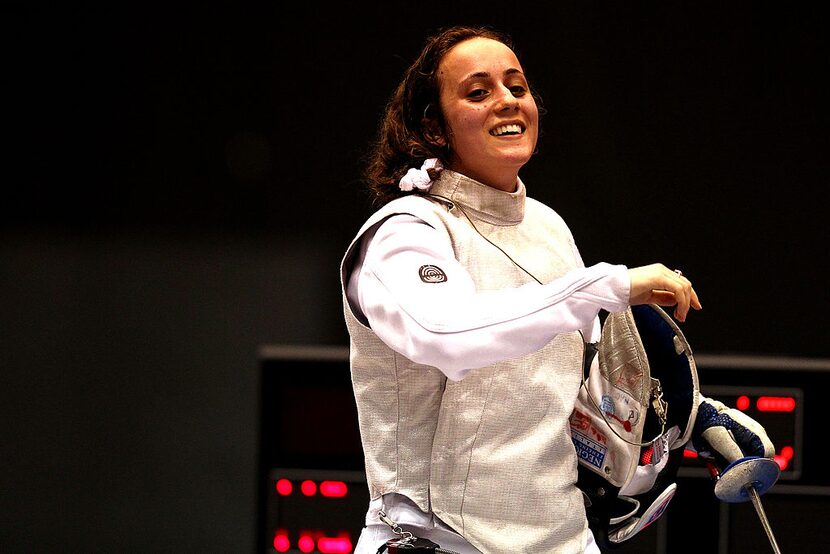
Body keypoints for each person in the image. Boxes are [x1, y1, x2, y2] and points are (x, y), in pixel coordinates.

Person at [340, 25, 774, 553]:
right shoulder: (404, 233)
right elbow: (447, 332)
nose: (506, 102)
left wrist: (688, 412)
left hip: (560, 536)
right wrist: (609, 285)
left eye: (516, 87)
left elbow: (572, 377)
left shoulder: (546, 228)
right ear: (434, 127)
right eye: (478, 93)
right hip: (437, 540)